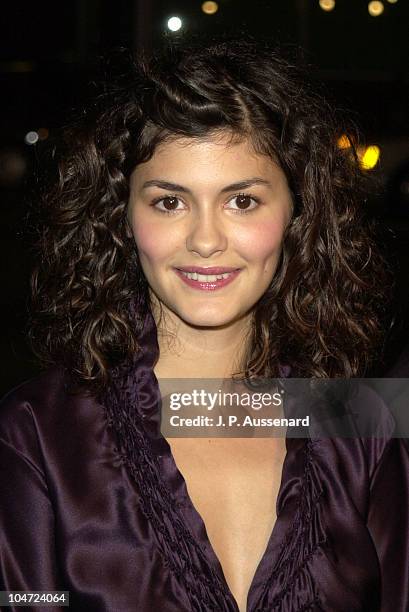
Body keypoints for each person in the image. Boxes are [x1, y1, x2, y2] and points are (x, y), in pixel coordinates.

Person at [0, 36, 408, 612]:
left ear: (297, 211)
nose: (207, 240)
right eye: (170, 202)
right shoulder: (36, 434)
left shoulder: (360, 425)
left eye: (242, 201)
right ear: (122, 214)